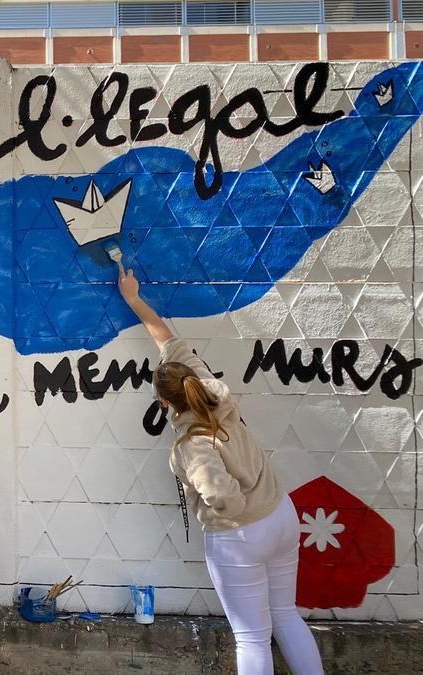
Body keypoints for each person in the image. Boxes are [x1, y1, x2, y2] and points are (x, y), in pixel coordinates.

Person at [116, 265, 323, 675]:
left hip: (239, 534)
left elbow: (223, 498)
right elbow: (170, 342)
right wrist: (136, 300)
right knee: (286, 615)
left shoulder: (190, 445)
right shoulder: (214, 393)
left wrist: (230, 508)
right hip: (280, 513)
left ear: (163, 403)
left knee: (251, 636)